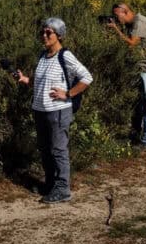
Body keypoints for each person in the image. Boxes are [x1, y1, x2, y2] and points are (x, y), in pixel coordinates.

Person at [14, 18, 93, 203]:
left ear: (59, 35)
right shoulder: (42, 56)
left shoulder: (65, 55)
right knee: (45, 150)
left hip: (58, 111)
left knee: (58, 150)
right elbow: (40, 82)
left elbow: (87, 77)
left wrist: (68, 93)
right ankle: (50, 184)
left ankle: (63, 189)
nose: (44, 35)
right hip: (40, 110)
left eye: (49, 33)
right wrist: (25, 79)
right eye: (43, 32)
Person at [107, 3, 146, 149]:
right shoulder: (132, 24)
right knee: (137, 105)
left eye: (117, 16)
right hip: (142, 69)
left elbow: (131, 43)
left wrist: (116, 30)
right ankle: (136, 134)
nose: (117, 20)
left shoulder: (140, 22)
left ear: (125, 12)